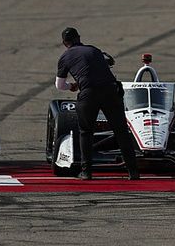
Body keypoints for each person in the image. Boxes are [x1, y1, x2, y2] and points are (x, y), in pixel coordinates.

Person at [55, 27, 140, 180]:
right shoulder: (94, 50)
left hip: (89, 93)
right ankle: (133, 171)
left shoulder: (65, 57)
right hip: (110, 90)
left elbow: (59, 85)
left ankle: (86, 172)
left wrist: (72, 86)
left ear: (64, 43)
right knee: (121, 131)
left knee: (86, 132)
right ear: (79, 38)